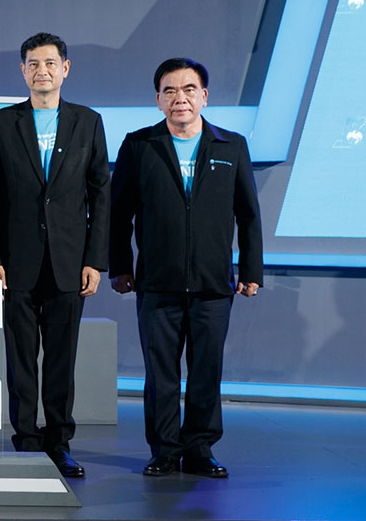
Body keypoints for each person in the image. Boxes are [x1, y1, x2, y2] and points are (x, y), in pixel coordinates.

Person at [110, 57, 262, 479]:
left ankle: (199, 448)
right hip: (157, 283)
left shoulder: (230, 146)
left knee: (206, 371)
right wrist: (120, 266)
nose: (180, 98)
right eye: (170, 91)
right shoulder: (139, 145)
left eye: (189, 89)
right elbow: (118, 215)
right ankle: (164, 449)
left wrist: (251, 270)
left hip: (214, 284)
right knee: (160, 373)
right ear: (158, 99)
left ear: (204, 96)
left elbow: (248, 215)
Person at [0, 32, 109, 478]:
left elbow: (100, 194)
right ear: (23, 70)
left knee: (61, 359)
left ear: (65, 69)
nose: (42, 71)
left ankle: (59, 442)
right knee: (19, 360)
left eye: (50, 63)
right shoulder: (3, 123)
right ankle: (25, 441)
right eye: (33, 63)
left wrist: (94, 260)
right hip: (15, 263)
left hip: (69, 262)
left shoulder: (88, 122)